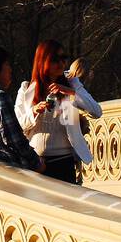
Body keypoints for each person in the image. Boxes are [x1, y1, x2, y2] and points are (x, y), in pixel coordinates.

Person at [14, 39, 102, 184]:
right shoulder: (26, 89)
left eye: (64, 58)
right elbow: (18, 125)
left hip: (63, 162)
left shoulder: (72, 83)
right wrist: (34, 111)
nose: (61, 63)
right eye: (55, 59)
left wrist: (71, 93)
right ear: (42, 61)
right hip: (35, 163)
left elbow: (96, 111)